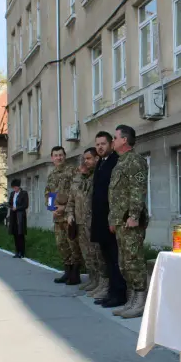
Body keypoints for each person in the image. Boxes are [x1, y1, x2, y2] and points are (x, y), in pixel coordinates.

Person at [109, 125, 149, 319]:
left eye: (115, 138)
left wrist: (134, 216)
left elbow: (137, 190)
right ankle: (131, 300)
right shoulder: (121, 162)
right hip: (120, 221)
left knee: (134, 262)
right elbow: (116, 195)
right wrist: (113, 219)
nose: (113, 141)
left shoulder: (134, 161)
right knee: (124, 263)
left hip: (130, 221)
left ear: (124, 140)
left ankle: (140, 302)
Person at [90, 131, 127, 307]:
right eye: (97, 144)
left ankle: (119, 294)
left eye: (103, 144)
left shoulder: (115, 162)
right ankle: (111, 292)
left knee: (115, 258)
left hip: (110, 219)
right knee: (107, 258)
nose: (99, 147)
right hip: (100, 219)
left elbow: (116, 194)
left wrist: (114, 219)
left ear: (111, 144)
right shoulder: (101, 163)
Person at [67, 147, 105, 294]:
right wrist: (70, 214)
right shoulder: (77, 180)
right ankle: (93, 279)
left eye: (87, 160)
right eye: (83, 160)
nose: (84, 163)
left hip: (93, 222)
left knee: (97, 253)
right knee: (86, 254)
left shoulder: (96, 177)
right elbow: (71, 200)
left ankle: (102, 282)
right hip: (80, 222)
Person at [45, 146, 81, 285]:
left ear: (65, 156)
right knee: (61, 244)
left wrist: (65, 207)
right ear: (52, 158)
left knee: (73, 244)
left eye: (61, 155)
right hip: (57, 217)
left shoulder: (72, 171)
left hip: (70, 215)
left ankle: (75, 274)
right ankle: (67, 272)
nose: (58, 158)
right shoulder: (52, 175)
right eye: (56, 155)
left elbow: (77, 192)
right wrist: (52, 208)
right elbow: (48, 194)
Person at [8, 178, 29, 258]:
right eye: (13, 188)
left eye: (15, 187)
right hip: (13, 215)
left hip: (20, 215)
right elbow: (10, 203)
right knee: (15, 234)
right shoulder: (12, 194)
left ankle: (22, 252)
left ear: (18, 187)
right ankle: (17, 251)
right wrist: (9, 205)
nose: (14, 189)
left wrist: (17, 208)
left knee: (20, 234)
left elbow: (25, 205)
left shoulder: (24, 193)